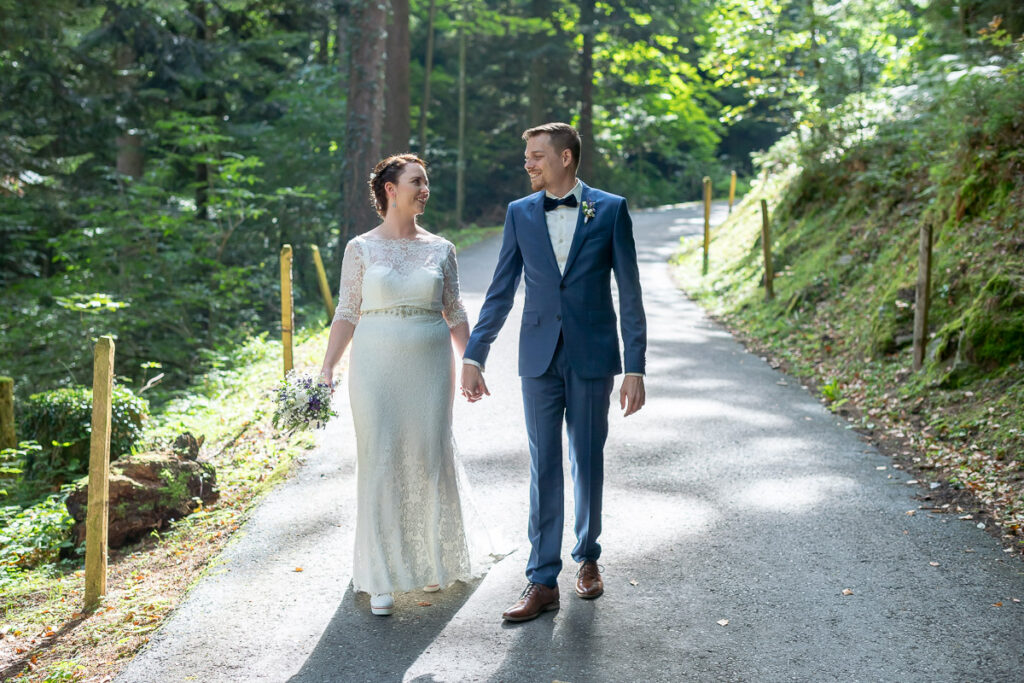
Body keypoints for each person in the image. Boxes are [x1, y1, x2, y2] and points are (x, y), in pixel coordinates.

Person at [460, 122, 647, 622]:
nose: (528, 163)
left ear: (565, 157)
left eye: (537, 155)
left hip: (592, 356)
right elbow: (501, 289)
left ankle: (587, 558)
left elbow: (630, 292)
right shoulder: (520, 213)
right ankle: (542, 580)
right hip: (538, 357)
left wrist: (635, 367)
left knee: (586, 459)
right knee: (543, 466)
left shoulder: (609, 209)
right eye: (527, 155)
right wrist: (475, 354)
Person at [319, 154, 487, 616]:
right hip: (374, 366)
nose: (425, 189)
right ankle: (380, 577)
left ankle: (431, 559)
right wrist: (328, 367)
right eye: (417, 181)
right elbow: (347, 312)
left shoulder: (442, 249)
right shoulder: (361, 248)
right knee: (382, 458)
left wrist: (472, 363)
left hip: (430, 364)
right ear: (390, 190)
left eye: (427, 182)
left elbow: (455, 313)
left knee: (428, 455)